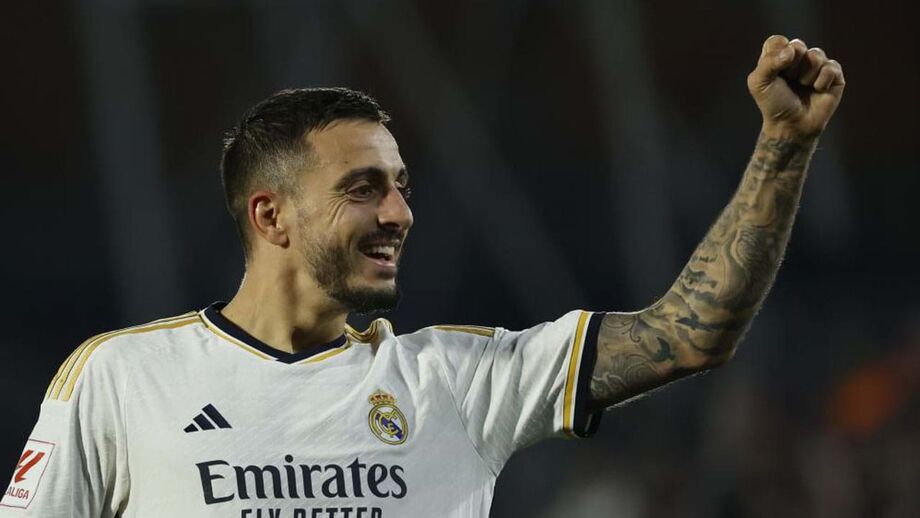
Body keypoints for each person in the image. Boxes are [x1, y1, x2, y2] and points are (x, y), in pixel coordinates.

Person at [1, 35, 844, 517]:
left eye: (402, 186)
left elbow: (691, 333)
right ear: (271, 216)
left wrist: (783, 145)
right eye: (364, 188)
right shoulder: (122, 379)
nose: (400, 213)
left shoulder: (456, 380)